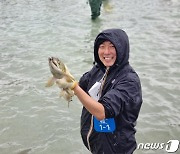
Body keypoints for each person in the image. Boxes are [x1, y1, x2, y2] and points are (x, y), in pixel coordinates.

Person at [58, 28, 143, 154]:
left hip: (116, 149)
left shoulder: (129, 81)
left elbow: (102, 112)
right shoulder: (98, 70)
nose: (106, 52)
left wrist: (73, 86)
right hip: (97, 147)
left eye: (112, 46)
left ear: (122, 49)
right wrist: (63, 77)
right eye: (102, 46)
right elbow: (80, 87)